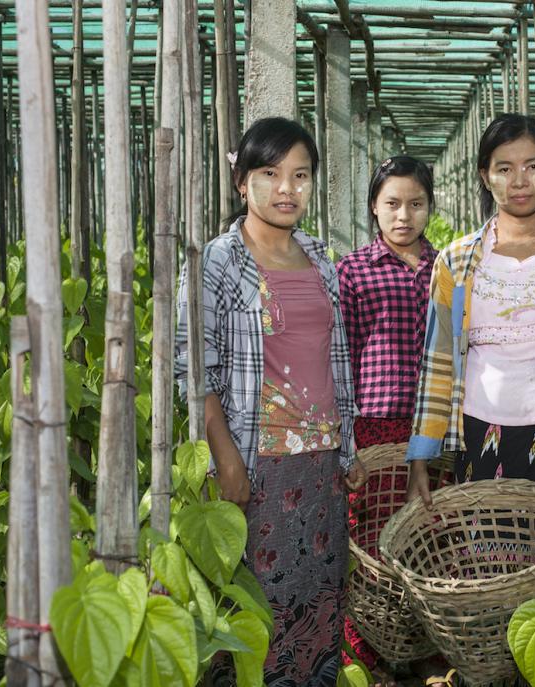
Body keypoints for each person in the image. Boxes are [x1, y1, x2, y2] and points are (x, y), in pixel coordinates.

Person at [404, 114, 535, 682]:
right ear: (484, 176)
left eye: (533, 166)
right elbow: (439, 362)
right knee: (484, 573)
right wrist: (421, 456)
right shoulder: (455, 261)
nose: (520, 181)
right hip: (478, 440)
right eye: (504, 169)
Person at [174, 116, 365, 686]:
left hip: (321, 463)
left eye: (300, 175)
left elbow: (335, 362)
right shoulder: (217, 262)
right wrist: (225, 455)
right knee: (254, 608)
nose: (287, 188)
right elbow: (191, 368)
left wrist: (347, 451)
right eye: (270, 173)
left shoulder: (319, 257)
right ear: (241, 183)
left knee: (317, 602)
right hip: (260, 466)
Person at [336, 156, 438, 679]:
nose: (404, 216)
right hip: (375, 421)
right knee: (373, 537)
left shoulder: (446, 268)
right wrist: (345, 430)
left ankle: (430, 653)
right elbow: (343, 351)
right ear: (374, 208)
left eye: (415, 204)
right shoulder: (352, 270)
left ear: (430, 208)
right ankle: (367, 651)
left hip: (436, 423)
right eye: (392, 204)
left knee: (431, 535)